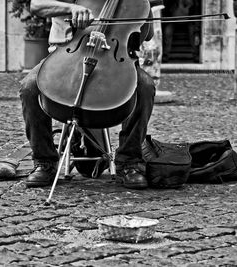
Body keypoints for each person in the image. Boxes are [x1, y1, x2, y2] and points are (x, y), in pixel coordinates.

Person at [20, 0, 156, 189]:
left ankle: (129, 162)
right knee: (29, 87)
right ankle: (45, 162)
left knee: (145, 87)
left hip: (114, 58)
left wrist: (143, 9)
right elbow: (37, 5)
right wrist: (72, 8)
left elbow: (147, 35)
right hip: (68, 55)